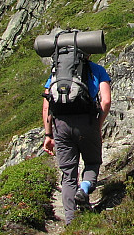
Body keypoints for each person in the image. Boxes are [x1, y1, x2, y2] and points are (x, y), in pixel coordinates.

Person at [43, 58, 112, 224]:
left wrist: (48, 135)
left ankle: (71, 221)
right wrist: (98, 125)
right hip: (87, 122)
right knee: (92, 162)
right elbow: (106, 100)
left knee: (68, 174)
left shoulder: (57, 72)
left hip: (61, 125)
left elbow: (47, 105)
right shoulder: (97, 69)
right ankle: (85, 188)